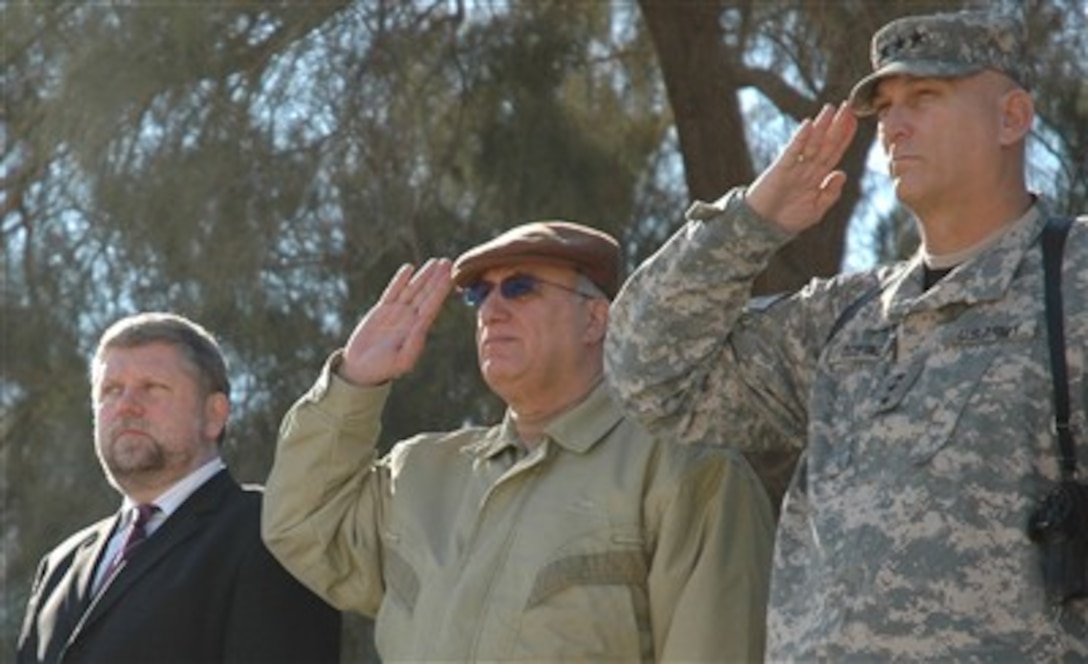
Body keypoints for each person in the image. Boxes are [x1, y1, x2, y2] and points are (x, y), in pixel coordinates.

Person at [604, 8, 1088, 661]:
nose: (893, 124)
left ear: (1011, 117)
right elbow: (650, 375)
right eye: (885, 105)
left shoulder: (1075, 279)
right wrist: (749, 222)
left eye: (925, 96)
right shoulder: (846, 317)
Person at [261, 221, 775, 661]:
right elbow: (301, 525)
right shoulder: (420, 473)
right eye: (479, 294)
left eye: (520, 287)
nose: (491, 310)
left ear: (596, 318)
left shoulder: (685, 472)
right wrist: (354, 382)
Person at [17, 312, 341, 663]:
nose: (126, 405)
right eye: (111, 390)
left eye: (152, 387)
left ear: (215, 414)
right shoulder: (60, 564)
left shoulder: (273, 531)